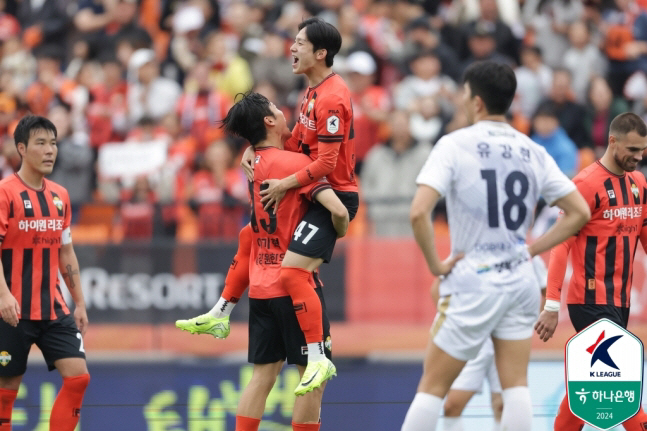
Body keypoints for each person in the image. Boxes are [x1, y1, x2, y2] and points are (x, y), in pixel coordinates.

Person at [401, 61, 591, 431]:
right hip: (519, 279)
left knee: (432, 387)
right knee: (516, 384)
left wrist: (437, 267)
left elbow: (418, 212)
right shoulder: (532, 149)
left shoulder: (454, 143)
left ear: (475, 101)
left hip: (474, 279)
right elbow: (578, 212)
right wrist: (531, 251)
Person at [178, 18, 359, 396]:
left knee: (293, 274)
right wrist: (254, 147)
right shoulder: (311, 91)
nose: (291, 48)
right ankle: (221, 313)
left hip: (333, 193)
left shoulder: (332, 96)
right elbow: (296, 145)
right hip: (311, 185)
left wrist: (284, 184)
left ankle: (317, 358)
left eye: (299, 43)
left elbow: (325, 165)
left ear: (320, 53)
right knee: (249, 234)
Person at [182, 92, 349, 431]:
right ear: (269, 122)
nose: (283, 112)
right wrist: (341, 228)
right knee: (312, 377)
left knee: (262, 376)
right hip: (295, 286)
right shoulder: (296, 165)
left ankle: (221, 311)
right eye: (276, 109)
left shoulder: (252, 163)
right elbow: (339, 210)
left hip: (259, 287)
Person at [535, 112, 647, 430]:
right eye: (633, 150)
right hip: (589, 300)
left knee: (589, 384)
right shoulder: (584, 185)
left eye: (643, 151)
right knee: (620, 384)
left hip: (620, 301)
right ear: (612, 142)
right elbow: (561, 246)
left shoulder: (639, 184)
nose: (639, 158)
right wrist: (551, 305)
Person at [0, 115, 90, 431]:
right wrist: (3, 295)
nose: (50, 150)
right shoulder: (5, 193)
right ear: (22, 149)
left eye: (53, 143)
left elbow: (66, 251)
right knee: (5, 392)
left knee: (79, 377)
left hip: (53, 307)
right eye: (41, 143)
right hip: (12, 309)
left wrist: (78, 302)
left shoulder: (60, 196)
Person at [437, 255, 548, 431]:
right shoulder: (468, 252)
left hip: (508, 340)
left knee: (502, 406)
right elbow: (437, 289)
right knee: (452, 406)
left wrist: (530, 322)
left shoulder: (529, 258)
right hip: (473, 339)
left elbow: (547, 291)